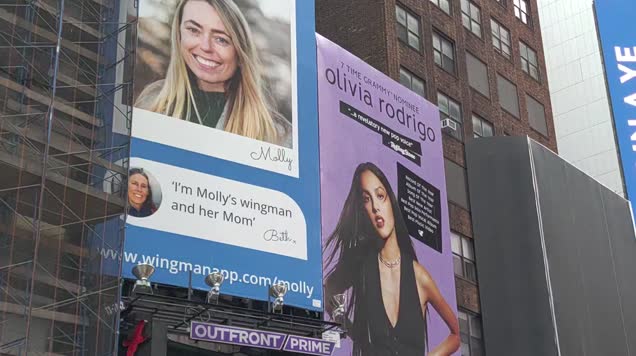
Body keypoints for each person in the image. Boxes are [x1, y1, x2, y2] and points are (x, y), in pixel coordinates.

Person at [324, 163, 460, 356]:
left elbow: (455, 334)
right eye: (366, 200)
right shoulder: (362, 265)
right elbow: (328, 291)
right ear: (363, 211)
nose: (376, 207)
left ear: (391, 201)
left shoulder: (419, 277)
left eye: (380, 196)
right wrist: (355, 333)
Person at [135, 0, 291, 147]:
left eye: (221, 39)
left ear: (240, 53)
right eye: (194, 30)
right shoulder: (151, 101)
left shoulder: (276, 133)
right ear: (179, 35)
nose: (205, 47)